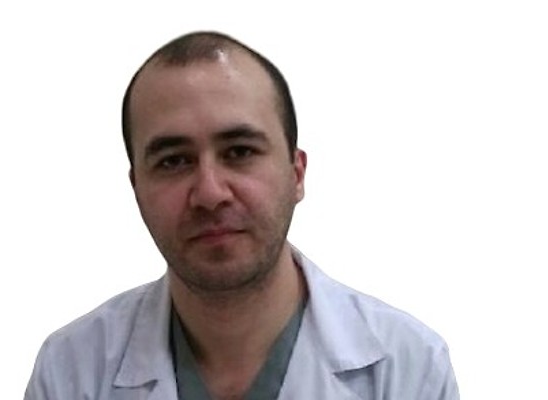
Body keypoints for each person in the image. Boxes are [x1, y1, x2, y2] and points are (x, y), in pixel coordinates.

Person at [24, 31, 460, 400]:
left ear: (296, 173)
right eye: (173, 161)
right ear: (136, 188)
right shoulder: (71, 372)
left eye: (240, 152)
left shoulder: (408, 367)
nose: (210, 194)